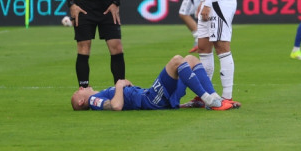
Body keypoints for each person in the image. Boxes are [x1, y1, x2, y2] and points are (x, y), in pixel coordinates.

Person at [71, 54, 239, 111]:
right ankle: (210, 100)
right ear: (81, 101)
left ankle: (214, 98)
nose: (79, 88)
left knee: (191, 59)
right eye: (77, 92)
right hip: (151, 99)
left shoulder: (96, 96)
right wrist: (119, 86)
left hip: (152, 96)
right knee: (176, 61)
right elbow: (116, 107)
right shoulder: (94, 100)